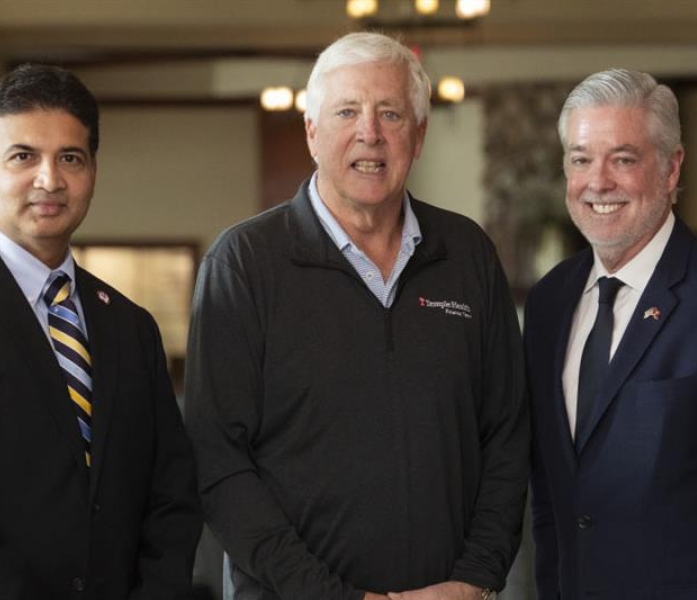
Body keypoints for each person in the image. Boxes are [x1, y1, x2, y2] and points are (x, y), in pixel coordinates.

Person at [184, 32, 529, 600]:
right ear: (312, 132)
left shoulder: (467, 254)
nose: (369, 132)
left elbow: (507, 435)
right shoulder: (244, 262)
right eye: (347, 111)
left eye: (390, 113)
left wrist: (476, 578)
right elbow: (218, 463)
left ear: (418, 136)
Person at [0, 64, 202, 600]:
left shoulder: (129, 326)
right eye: (23, 157)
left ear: (93, 172)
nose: (50, 179)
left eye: (71, 158)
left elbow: (170, 492)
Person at [524, 68, 697, 600]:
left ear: (670, 169)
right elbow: (553, 500)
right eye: (580, 159)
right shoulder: (549, 301)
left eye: (623, 159)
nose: (597, 182)